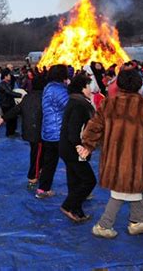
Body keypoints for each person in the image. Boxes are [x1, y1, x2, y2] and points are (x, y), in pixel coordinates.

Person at [78, 69, 143, 238]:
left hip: (113, 154)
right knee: (123, 191)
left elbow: (94, 126)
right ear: (139, 84)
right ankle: (103, 225)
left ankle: (138, 221)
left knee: (133, 189)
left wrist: (88, 145)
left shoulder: (108, 103)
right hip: (133, 155)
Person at [59, 74, 97, 222]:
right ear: (83, 88)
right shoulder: (79, 105)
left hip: (67, 148)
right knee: (89, 181)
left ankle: (77, 211)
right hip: (73, 149)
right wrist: (79, 147)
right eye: (89, 86)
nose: (91, 89)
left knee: (74, 180)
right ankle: (68, 206)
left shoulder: (75, 101)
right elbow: (74, 130)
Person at [3, 76, 45, 189]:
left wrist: (3, 118)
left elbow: (16, 109)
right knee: (37, 155)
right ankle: (33, 177)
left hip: (29, 131)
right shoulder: (43, 98)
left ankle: (38, 172)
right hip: (38, 132)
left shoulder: (27, 97)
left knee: (36, 153)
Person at [36, 64, 69, 199]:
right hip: (58, 132)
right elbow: (68, 106)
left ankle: (43, 189)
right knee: (72, 162)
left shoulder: (48, 88)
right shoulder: (59, 90)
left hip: (48, 132)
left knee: (49, 162)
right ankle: (80, 191)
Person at [0, 68, 22, 137]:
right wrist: (21, 95)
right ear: (5, 76)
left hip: (10, 104)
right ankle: (9, 133)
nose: (10, 76)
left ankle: (13, 132)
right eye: (8, 75)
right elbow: (9, 93)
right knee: (9, 120)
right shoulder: (2, 85)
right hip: (6, 105)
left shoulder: (7, 84)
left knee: (13, 118)